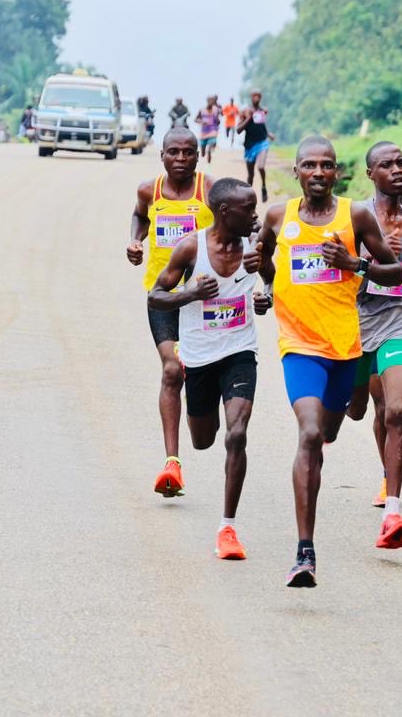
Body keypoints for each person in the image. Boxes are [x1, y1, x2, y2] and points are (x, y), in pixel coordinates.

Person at [255, 136, 401, 586]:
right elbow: (263, 257)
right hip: (298, 345)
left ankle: (328, 429)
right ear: (296, 171)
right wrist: (268, 289)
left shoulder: (355, 215)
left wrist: (354, 264)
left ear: (338, 172)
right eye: (309, 166)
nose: (318, 173)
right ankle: (305, 551)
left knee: (331, 428)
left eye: (327, 166)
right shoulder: (278, 216)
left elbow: (395, 271)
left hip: (345, 348)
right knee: (311, 433)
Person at [147, 178, 265, 559]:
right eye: (248, 208)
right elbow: (156, 296)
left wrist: (266, 297)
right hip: (198, 356)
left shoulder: (254, 247)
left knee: (237, 434)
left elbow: (275, 282)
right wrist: (191, 295)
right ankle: (185, 448)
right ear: (225, 212)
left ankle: (227, 528)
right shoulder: (190, 247)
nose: (255, 214)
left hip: (240, 351)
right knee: (203, 438)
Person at [345, 141, 402, 542]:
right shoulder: (354, 218)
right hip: (358, 325)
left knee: (397, 408)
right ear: (371, 174)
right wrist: (363, 269)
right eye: (387, 164)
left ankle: (393, 504)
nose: (397, 169)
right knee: (356, 410)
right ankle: (386, 470)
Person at [126, 128, 215, 498]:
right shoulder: (150, 190)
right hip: (162, 295)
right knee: (171, 369)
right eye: (173, 152)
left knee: (196, 375)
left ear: (198, 156)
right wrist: (135, 240)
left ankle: (199, 422)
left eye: (188, 153)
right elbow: (139, 216)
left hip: (205, 298)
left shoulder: (209, 190)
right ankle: (171, 463)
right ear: (161, 155)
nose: (180, 159)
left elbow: (236, 221)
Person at [237, 90, 275, 203]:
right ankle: (248, 196)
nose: (257, 98)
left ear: (261, 97)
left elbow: (261, 126)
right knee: (251, 175)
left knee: (261, 167)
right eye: (255, 96)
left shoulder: (262, 111)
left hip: (262, 143)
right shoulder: (245, 111)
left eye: (259, 96)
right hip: (249, 145)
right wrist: (249, 118)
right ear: (251, 97)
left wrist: (269, 134)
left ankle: (263, 187)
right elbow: (238, 130)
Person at [195, 95, 222, 164]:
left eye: (212, 100)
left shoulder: (216, 110)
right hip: (204, 132)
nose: (211, 102)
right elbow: (196, 119)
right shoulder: (202, 110)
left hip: (213, 131)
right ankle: (205, 152)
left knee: (211, 144)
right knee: (203, 153)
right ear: (207, 101)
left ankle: (209, 152)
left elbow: (218, 121)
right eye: (210, 100)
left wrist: (217, 120)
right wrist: (202, 122)